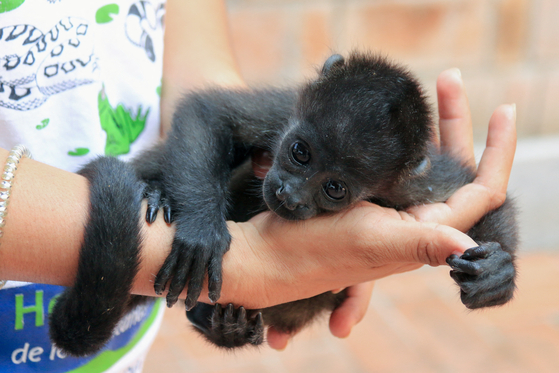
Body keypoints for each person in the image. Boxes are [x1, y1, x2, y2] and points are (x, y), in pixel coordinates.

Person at [0, 0, 516, 371]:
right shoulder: (298, 107)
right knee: (204, 159)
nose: (293, 192)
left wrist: (496, 265)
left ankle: (223, 317)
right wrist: (202, 216)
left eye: (334, 189)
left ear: (400, 179)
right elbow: (205, 112)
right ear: (317, 85)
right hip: (159, 235)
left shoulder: (409, 176)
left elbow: (484, 202)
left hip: (129, 334)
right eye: (299, 154)